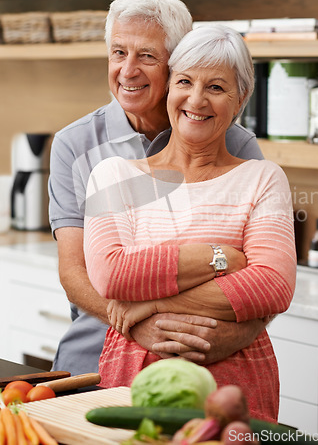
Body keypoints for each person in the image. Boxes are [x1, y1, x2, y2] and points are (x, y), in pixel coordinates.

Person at [48, 0, 266, 377]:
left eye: (147, 56)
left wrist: (236, 336)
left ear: (176, 62)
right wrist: (139, 324)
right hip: (93, 358)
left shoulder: (235, 144)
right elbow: (74, 273)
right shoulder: (74, 145)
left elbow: (264, 278)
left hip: (203, 360)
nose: (127, 71)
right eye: (118, 52)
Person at [83, 24, 297, 422]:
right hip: (135, 379)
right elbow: (112, 276)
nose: (196, 99)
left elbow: (273, 284)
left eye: (216, 87)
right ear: (169, 88)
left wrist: (148, 303)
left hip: (238, 388)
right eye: (185, 81)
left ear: (241, 98)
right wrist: (220, 259)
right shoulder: (114, 177)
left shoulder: (263, 179)